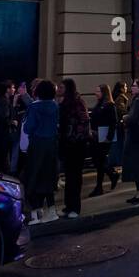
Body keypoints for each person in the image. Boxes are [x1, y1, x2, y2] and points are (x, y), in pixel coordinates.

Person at [23, 79, 60, 223]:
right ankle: (51, 210)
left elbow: (28, 127)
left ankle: (35, 213)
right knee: (48, 177)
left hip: (37, 144)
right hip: (51, 144)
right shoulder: (55, 106)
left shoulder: (34, 107)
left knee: (33, 176)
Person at [58, 78, 90, 218]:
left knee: (75, 176)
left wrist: (75, 137)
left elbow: (83, 121)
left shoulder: (76, 103)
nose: (59, 90)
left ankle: (75, 207)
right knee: (70, 175)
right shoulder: (65, 103)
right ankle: (69, 205)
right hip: (68, 144)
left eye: (62, 88)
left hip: (76, 145)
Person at [89, 84, 120, 196]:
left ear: (104, 92)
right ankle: (111, 175)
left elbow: (113, 123)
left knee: (100, 161)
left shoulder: (109, 105)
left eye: (98, 91)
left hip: (103, 137)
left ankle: (100, 186)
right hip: (97, 136)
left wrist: (109, 137)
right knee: (99, 161)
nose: (95, 93)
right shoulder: (99, 104)